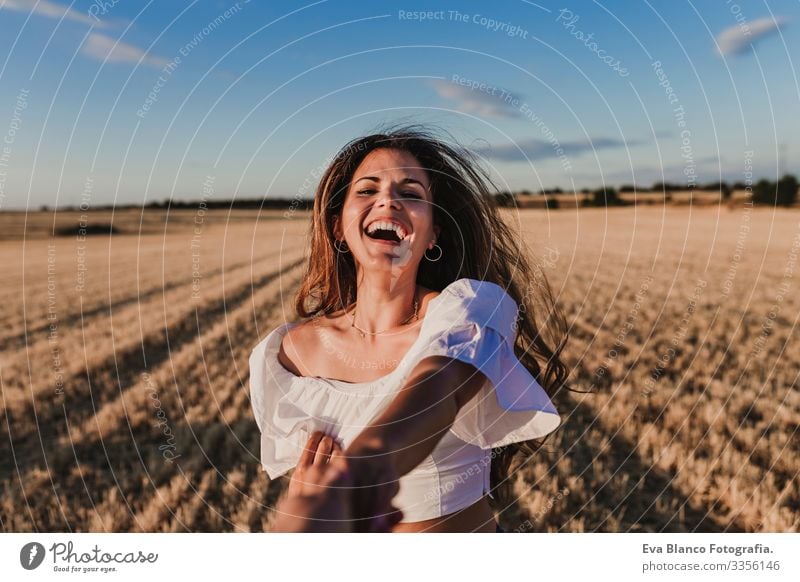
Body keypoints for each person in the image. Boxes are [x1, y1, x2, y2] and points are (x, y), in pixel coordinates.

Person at [250, 125, 570, 533]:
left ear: (434, 232)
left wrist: (357, 478)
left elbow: (437, 392)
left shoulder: (468, 312)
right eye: (367, 190)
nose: (388, 200)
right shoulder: (287, 354)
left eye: (411, 193)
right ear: (337, 228)